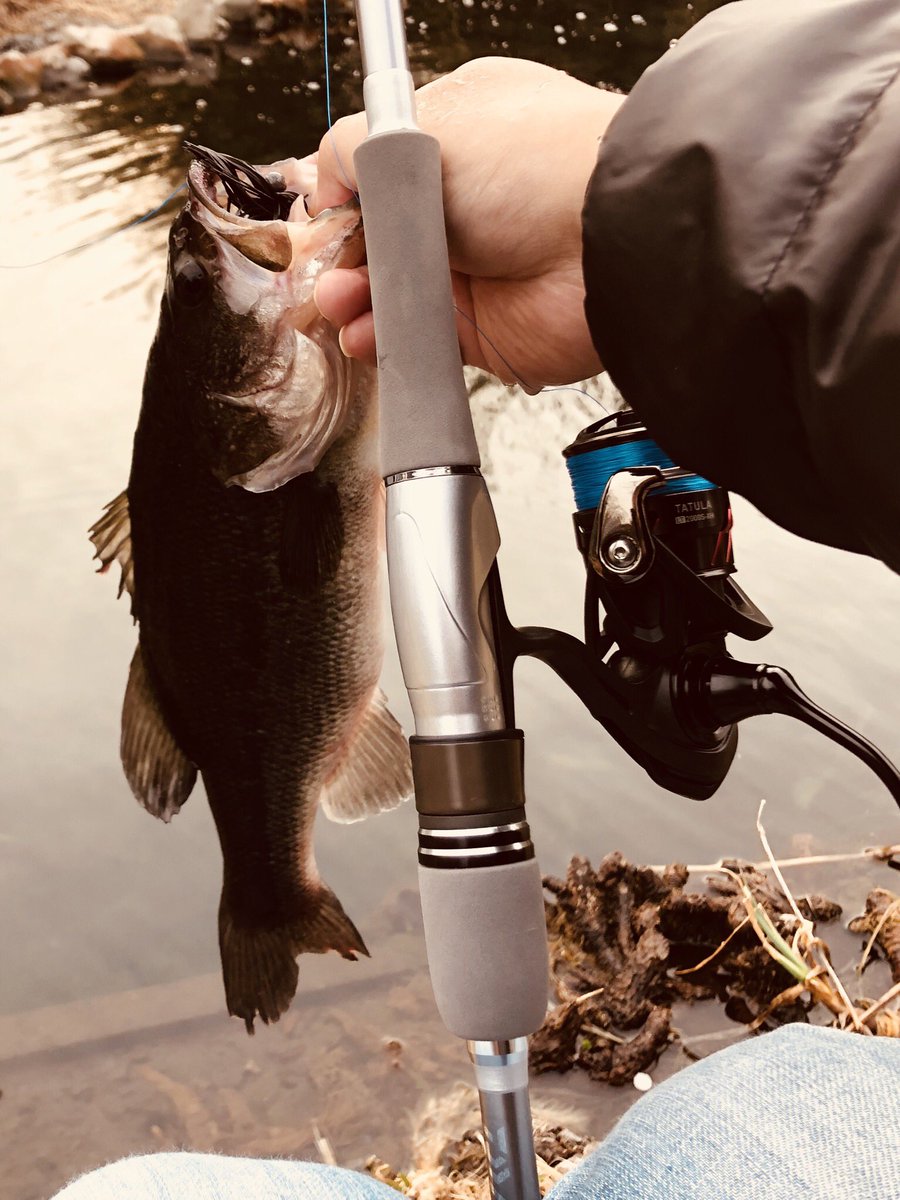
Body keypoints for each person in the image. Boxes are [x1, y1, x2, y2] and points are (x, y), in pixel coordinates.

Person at [54, 0, 900, 1196]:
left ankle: (270, 894)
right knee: (800, 1091)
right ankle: (273, 891)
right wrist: (613, 207)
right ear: (212, 412)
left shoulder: (275, 451)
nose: (216, 263)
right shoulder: (277, 459)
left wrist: (609, 209)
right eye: (203, 288)